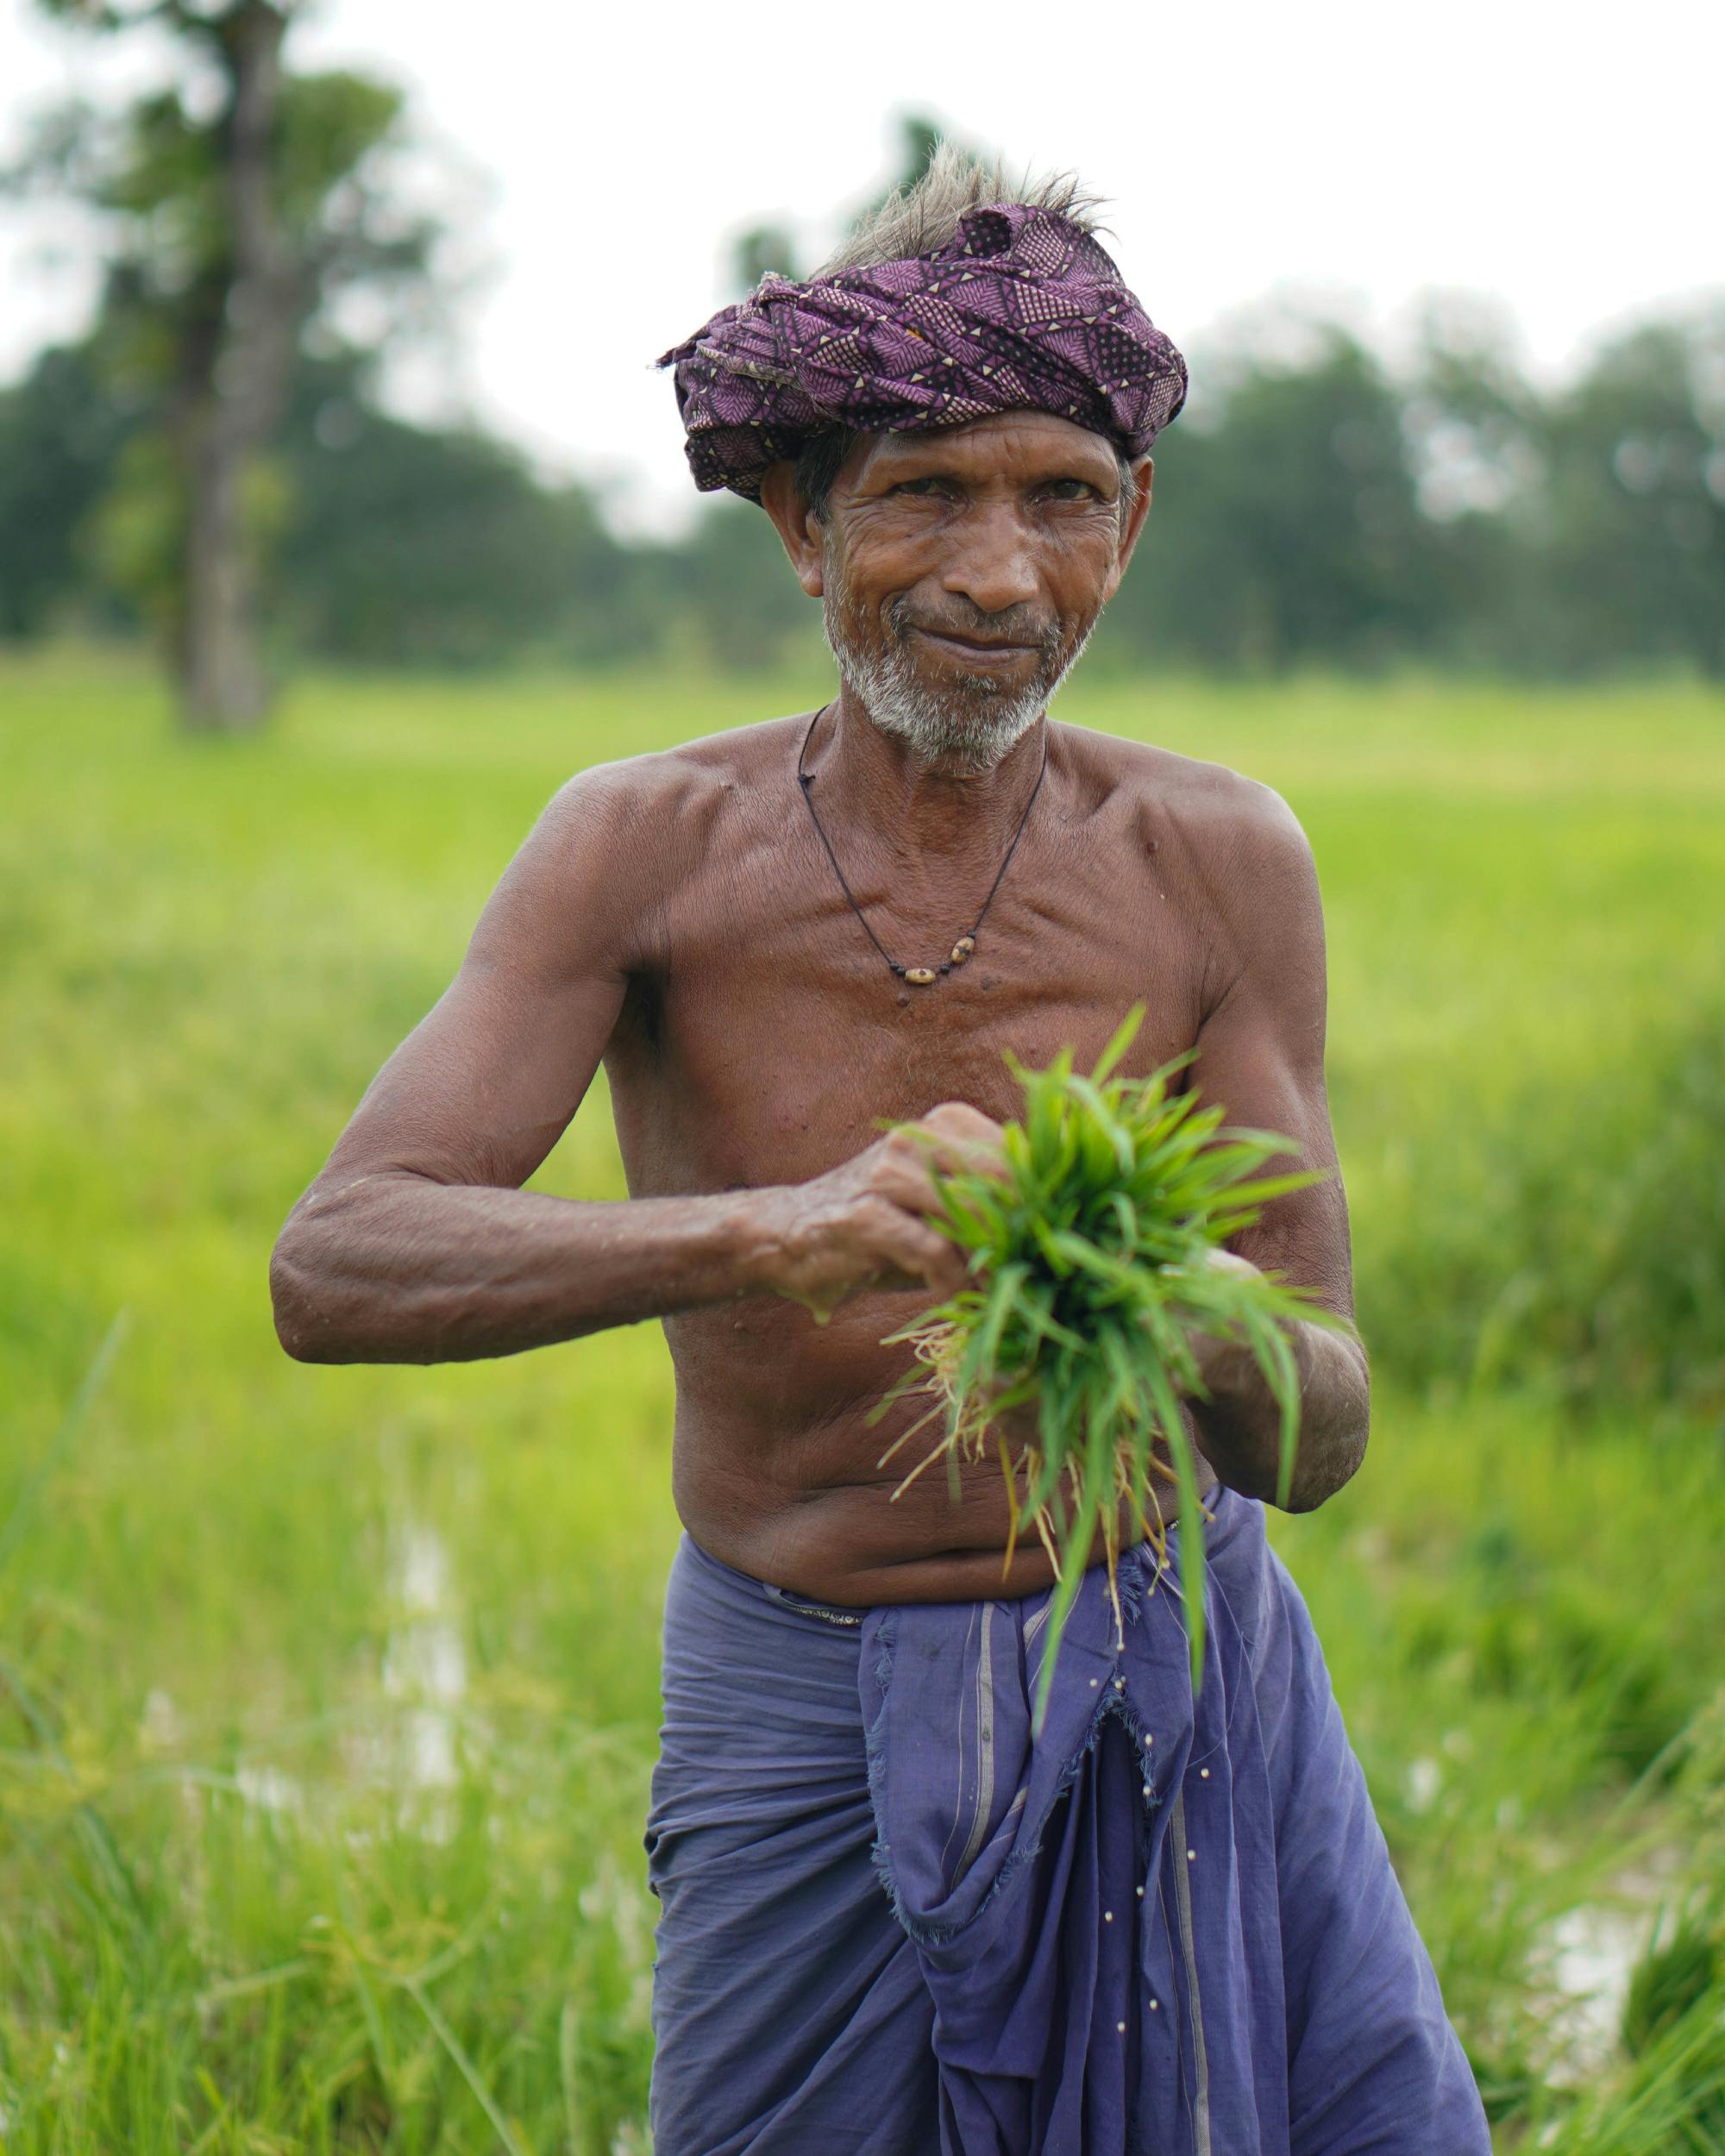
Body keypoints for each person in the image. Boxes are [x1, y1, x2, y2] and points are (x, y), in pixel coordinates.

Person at [270, 148, 1490, 2156]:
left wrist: (1155, 1296)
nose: (999, 578)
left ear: (1137, 518)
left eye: (1062, 499)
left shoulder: (1216, 857)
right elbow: (338, 1264)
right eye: (923, 491)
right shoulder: (640, 843)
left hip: (1160, 1652)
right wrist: (764, 1231)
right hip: (789, 1680)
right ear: (798, 522)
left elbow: (1324, 1424)